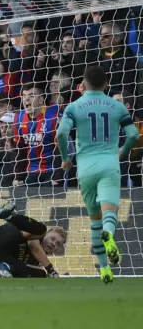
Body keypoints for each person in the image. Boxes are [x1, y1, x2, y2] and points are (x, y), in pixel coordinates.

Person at [56, 66, 140, 284]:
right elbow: (133, 135)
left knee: (94, 219)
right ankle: (109, 235)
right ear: (106, 85)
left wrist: (66, 158)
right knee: (109, 212)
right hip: (109, 163)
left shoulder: (74, 106)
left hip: (85, 167)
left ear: (83, 85)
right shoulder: (116, 106)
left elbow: (61, 133)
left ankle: (103, 269)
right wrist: (122, 152)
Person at [0, 200, 66, 278]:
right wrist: (51, 271)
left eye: (58, 244)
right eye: (52, 238)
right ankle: (9, 216)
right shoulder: (36, 238)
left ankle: (6, 267)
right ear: (46, 236)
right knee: (41, 230)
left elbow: (21, 270)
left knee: (41, 273)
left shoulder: (36, 262)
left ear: (57, 250)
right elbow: (34, 247)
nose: (54, 243)